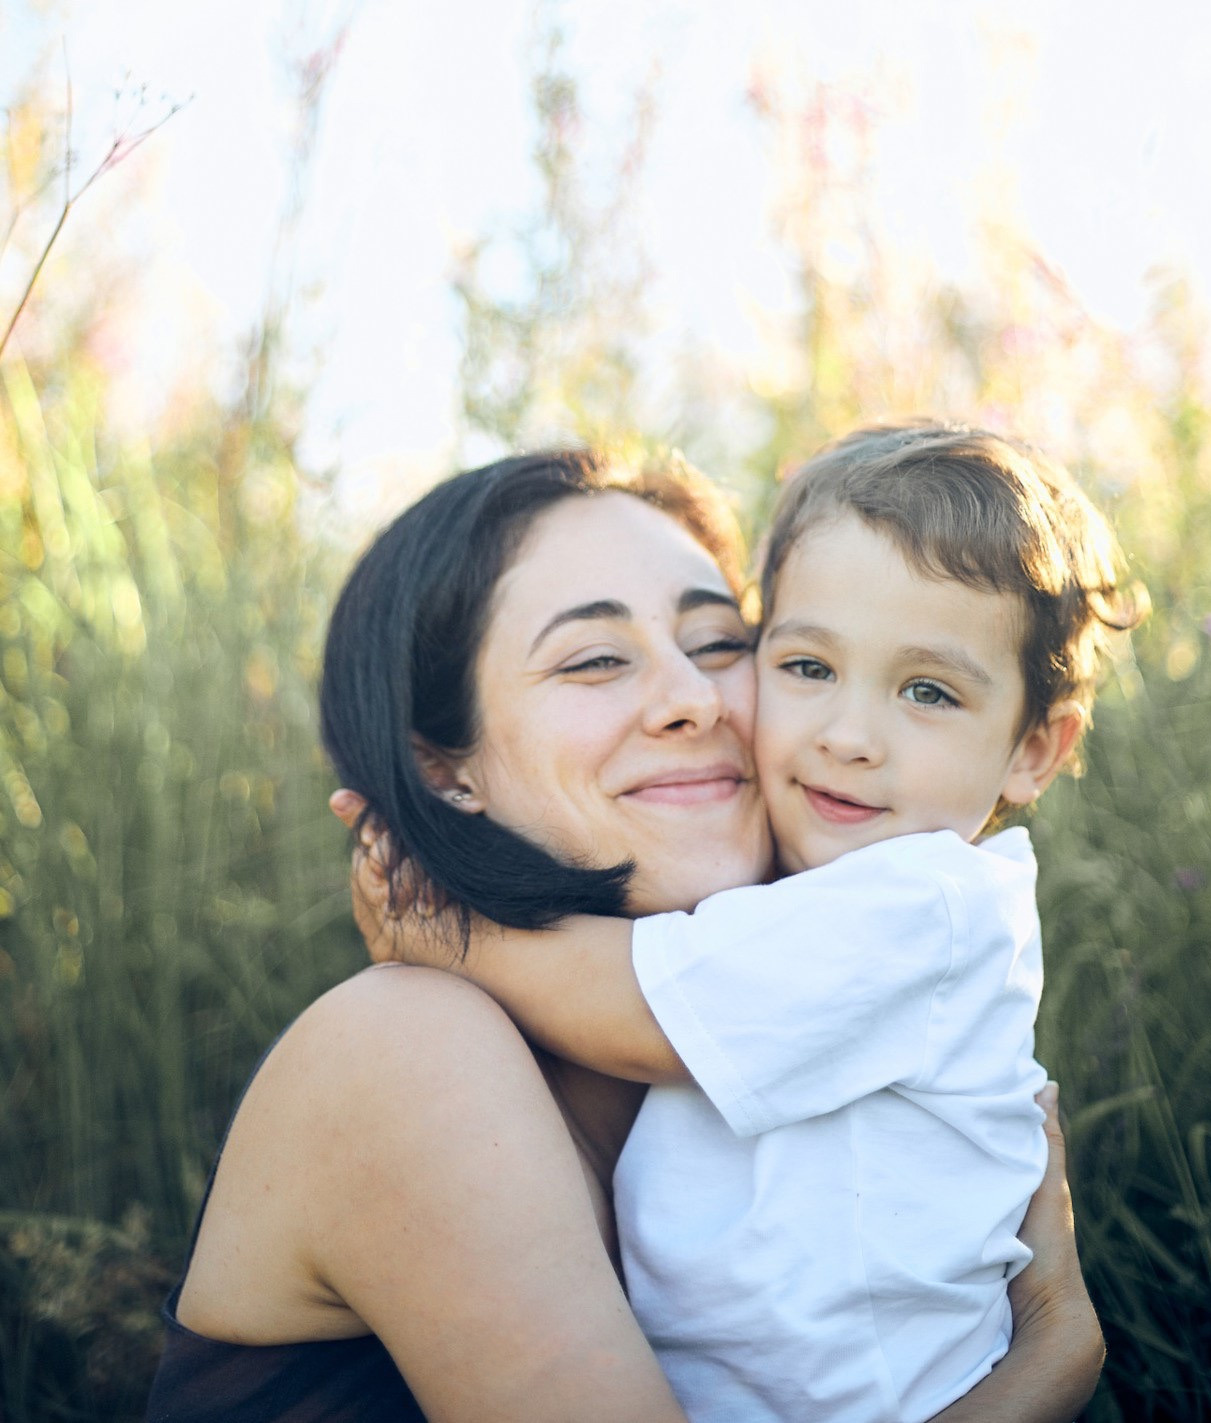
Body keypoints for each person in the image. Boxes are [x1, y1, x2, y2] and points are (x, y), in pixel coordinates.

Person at [147, 448, 1106, 1423]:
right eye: (595, 658)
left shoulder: (837, 1012)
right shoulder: (402, 1044)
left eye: (719, 641)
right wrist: (1050, 1358)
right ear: (441, 765)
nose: (691, 696)